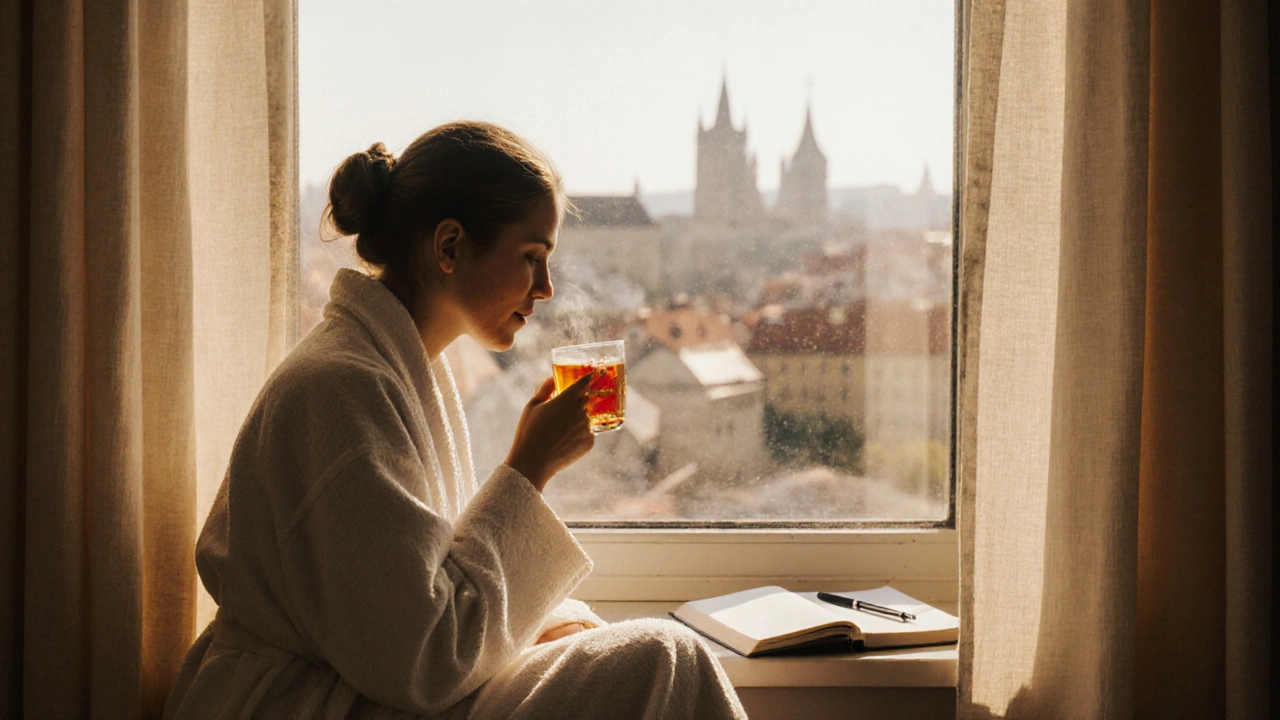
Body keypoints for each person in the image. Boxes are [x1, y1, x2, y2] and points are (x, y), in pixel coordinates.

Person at [164, 122, 746, 719]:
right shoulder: (339, 389)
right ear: (447, 247)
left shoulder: (400, 370)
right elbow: (423, 657)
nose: (544, 289)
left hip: (371, 689)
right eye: (530, 258)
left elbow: (425, 592)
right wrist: (529, 468)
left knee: (655, 657)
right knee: (663, 656)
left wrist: (551, 624)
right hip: (305, 705)